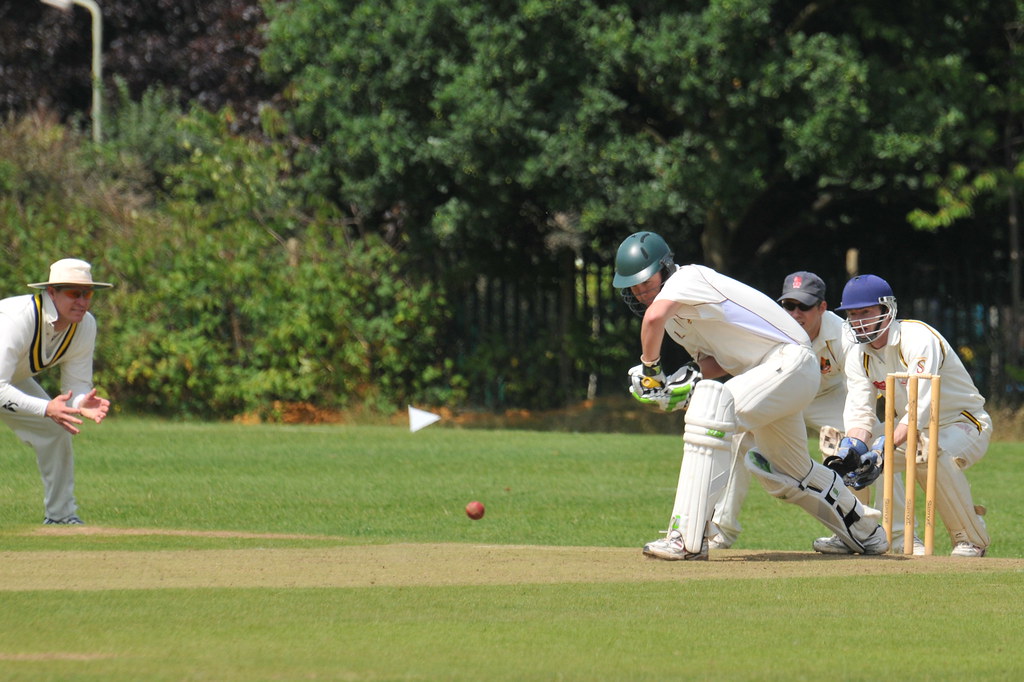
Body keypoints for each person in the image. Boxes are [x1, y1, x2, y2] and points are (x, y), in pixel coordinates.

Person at [613, 232, 887, 560]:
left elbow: (653, 318)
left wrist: (650, 371)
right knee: (792, 471)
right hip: (770, 377)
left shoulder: (688, 278)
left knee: (711, 411)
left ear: (665, 268)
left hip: (790, 361)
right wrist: (675, 383)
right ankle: (866, 533)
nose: (641, 291)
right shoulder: (675, 322)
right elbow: (713, 362)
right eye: (634, 286)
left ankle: (686, 537)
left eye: (646, 281)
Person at [709, 272, 915, 552]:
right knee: (739, 437)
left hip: (829, 398)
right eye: (788, 306)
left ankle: (897, 534)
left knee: (876, 444)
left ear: (822, 307)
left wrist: (858, 434)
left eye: (804, 306)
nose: (795, 314)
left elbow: (861, 384)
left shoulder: (843, 334)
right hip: (783, 397)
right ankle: (721, 530)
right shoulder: (769, 328)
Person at [816, 274, 991, 557]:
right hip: (911, 428)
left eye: (865, 312)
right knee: (846, 455)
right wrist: (855, 448)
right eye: (852, 314)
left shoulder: (918, 339)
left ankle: (970, 537)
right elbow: (860, 411)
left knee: (928, 452)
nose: (858, 321)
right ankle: (858, 534)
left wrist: (882, 448)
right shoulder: (858, 354)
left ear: (887, 310)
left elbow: (920, 407)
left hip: (963, 422)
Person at [0, 258, 113, 524]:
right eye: (74, 293)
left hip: (8, 380)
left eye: (87, 294)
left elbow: (76, 385)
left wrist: (81, 402)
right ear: (51, 292)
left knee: (55, 430)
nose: (82, 302)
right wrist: (46, 408)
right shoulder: (17, 319)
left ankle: (61, 517)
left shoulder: (85, 325)